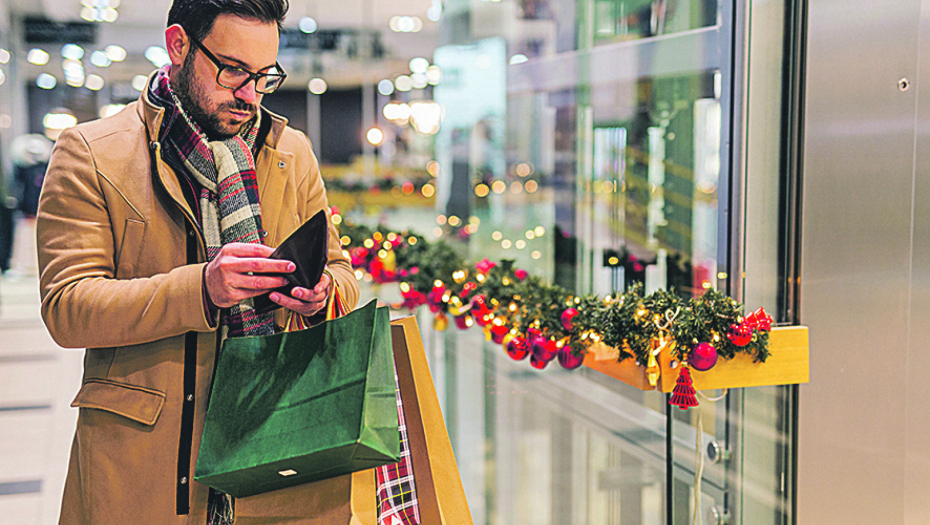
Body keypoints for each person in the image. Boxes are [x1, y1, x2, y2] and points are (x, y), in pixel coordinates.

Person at [36, 0, 359, 522]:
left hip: (275, 449)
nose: (250, 96)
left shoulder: (289, 152)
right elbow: (68, 307)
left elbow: (342, 272)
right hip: (146, 462)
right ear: (179, 46)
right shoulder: (92, 153)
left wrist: (323, 295)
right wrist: (203, 289)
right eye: (234, 71)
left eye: (264, 76)